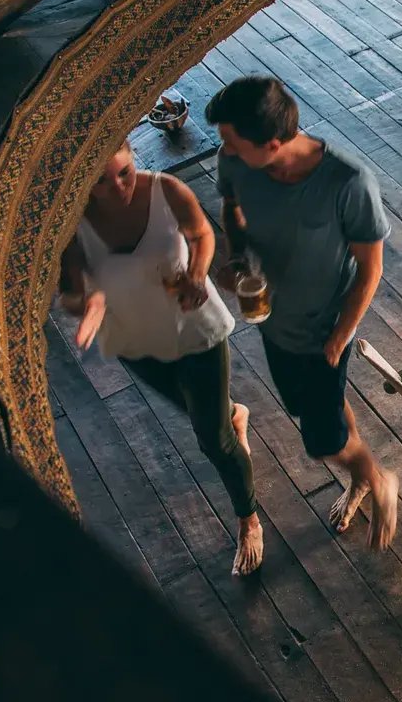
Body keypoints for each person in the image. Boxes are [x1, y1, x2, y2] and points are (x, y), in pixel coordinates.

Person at [205, 75, 398, 550]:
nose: (223, 149)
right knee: (314, 408)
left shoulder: (348, 182)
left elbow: (371, 269)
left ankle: (378, 480)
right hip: (274, 323)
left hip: (323, 331)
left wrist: (339, 338)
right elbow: (230, 206)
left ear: (272, 144)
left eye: (231, 140)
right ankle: (359, 476)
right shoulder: (236, 161)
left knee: (323, 442)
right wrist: (234, 256)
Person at [60, 140, 263, 576]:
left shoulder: (166, 189)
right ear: (83, 184)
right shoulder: (74, 227)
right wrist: (89, 305)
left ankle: (248, 518)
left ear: (134, 157)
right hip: (136, 342)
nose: (117, 188)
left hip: (195, 330)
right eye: (100, 181)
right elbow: (77, 290)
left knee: (213, 441)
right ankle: (233, 412)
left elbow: (202, 235)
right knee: (201, 411)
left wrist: (195, 272)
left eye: (124, 173)